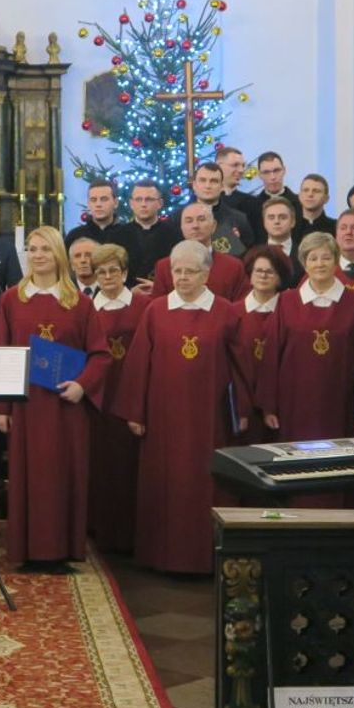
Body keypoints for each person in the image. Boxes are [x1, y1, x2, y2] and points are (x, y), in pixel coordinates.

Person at [115, 240, 248, 574]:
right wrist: (135, 411)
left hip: (211, 419)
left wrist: (242, 411)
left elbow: (242, 365)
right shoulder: (156, 311)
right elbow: (138, 364)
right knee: (165, 483)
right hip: (163, 418)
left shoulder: (226, 311)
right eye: (178, 271)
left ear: (206, 274)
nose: (183, 277)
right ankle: (161, 557)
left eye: (191, 271)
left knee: (206, 484)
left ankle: (205, 558)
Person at [0, 227, 108, 568]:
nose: (38, 255)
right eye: (32, 249)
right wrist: (1, 407)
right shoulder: (12, 300)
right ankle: (27, 550)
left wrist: (82, 385)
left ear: (58, 255)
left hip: (66, 407)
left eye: (45, 249)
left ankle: (62, 550)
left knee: (64, 476)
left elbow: (100, 355)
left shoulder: (79, 303)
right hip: (26, 408)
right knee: (29, 478)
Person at [260, 232, 354, 451]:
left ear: (336, 261)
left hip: (341, 401)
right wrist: (269, 406)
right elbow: (271, 356)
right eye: (313, 258)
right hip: (293, 402)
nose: (320, 264)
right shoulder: (287, 302)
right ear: (304, 263)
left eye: (326, 258)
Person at [85, 244, 147, 554]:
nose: (108, 276)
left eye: (113, 270)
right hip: (96, 397)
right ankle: (98, 530)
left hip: (130, 392)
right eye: (101, 272)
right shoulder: (86, 308)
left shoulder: (145, 306)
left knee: (129, 465)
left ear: (124, 273)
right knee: (98, 464)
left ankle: (130, 533)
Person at [235, 246, 295, 440]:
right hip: (242, 405)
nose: (263, 276)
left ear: (280, 277)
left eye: (270, 272)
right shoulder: (233, 313)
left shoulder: (291, 312)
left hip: (283, 405)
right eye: (258, 270)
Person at [151, 203, 250, 300]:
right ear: (181, 227)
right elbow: (158, 306)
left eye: (201, 219)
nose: (195, 226)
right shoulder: (164, 267)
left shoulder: (233, 266)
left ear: (214, 225)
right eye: (189, 221)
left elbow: (242, 306)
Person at [184, 161, 254, 256]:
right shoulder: (176, 219)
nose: (208, 186)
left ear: (222, 186)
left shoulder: (239, 219)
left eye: (214, 181)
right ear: (194, 185)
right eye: (202, 180)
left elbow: (248, 257)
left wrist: (236, 244)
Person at [120, 180, 173, 289]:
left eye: (149, 199)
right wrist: (129, 291)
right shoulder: (117, 235)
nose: (143, 204)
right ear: (131, 203)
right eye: (138, 199)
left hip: (164, 293)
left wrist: (158, 287)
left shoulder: (174, 234)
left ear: (160, 203)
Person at [65, 180, 129, 250]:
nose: (98, 204)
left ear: (116, 203)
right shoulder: (75, 236)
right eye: (93, 200)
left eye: (104, 199)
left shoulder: (128, 235)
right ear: (88, 204)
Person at [215, 146, 260, 226]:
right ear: (219, 166)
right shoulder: (205, 201)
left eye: (243, 165)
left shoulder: (252, 203)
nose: (241, 170)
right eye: (235, 165)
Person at [294, 173, 337, 243]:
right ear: (299, 196)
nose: (310, 194)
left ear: (326, 198)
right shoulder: (289, 227)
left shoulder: (336, 227)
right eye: (306, 190)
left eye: (316, 191)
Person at [260, 195, 300, 265]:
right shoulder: (255, 255)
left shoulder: (304, 253)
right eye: (271, 218)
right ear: (264, 222)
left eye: (283, 217)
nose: (277, 221)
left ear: (293, 222)